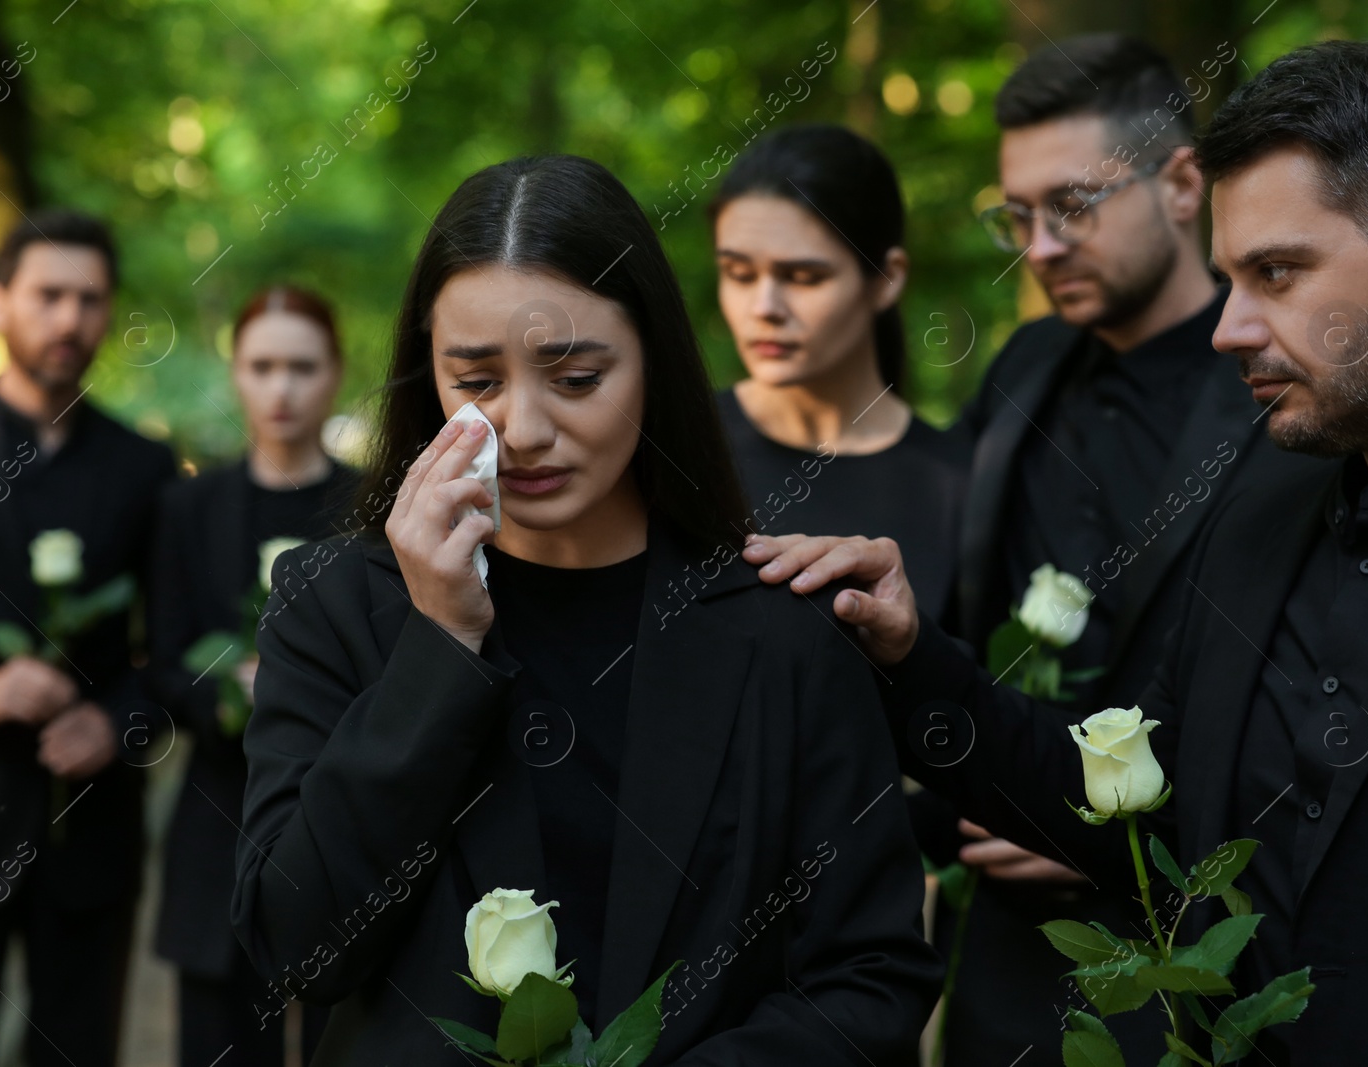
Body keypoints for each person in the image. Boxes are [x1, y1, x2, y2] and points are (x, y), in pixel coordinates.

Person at [745, 40, 1368, 1064]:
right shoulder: (1262, 507)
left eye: (1277, 272)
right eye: (1227, 278)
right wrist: (910, 657)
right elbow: (1131, 794)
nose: (1228, 326)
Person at [229, 154, 941, 1064]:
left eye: (575, 378)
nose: (522, 428)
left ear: (652, 366)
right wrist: (440, 644)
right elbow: (298, 946)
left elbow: (873, 976)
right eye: (476, 381)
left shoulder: (783, 627)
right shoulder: (333, 607)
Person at [899, 35, 1319, 1063]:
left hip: (1200, 961)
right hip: (1002, 967)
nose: (1037, 245)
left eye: (1071, 207)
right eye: (1017, 215)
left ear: (1181, 182)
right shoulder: (1024, 365)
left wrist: (1113, 834)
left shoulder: (1294, 393)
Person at [0, 211, 175, 1063]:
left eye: (90, 299)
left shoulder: (144, 469)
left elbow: (181, 651)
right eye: (48, 295)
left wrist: (117, 722)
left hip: (89, 832)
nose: (69, 318)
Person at [149, 286, 360, 1066]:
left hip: (343, 828)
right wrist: (229, 685)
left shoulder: (369, 504)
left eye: (301, 367)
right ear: (234, 371)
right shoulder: (188, 506)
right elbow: (166, 660)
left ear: (335, 373)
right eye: (262, 365)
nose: (281, 388)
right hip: (216, 827)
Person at [707, 124, 970, 626]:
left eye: (804, 277)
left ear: (887, 278)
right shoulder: (674, 447)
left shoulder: (959, 485)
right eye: (739, 274)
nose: (764, 307)